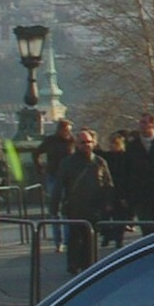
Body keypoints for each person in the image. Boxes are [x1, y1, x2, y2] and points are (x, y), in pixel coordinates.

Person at [56, 129, 116, 275]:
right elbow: (59, 185)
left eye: (89, 142)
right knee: (75, 238)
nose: (87, 145)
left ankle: (89, 265)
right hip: (75, 205)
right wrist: (55, 206)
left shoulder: (99, 162)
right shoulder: (68, 162)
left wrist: (109, 202)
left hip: (94, 206)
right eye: (83, 142)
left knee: (90, 238)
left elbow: (108, 184)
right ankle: (73, 264)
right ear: (77, 144)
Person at [32, 118, 77, 250]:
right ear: (60, 130)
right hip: (53, 176)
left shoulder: (73, 141)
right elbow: (36, 153)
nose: (67, 133)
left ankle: (68, 240)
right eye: (66, 130)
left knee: (66, 210)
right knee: (55, 210)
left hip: (68, 178)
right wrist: (39, 167)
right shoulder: (50, 141)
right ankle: (58, 241)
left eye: (69, 131)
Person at [124, 112, 154, 228]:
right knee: (145, 224)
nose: (141, 125)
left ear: (152, 124)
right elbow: (127, 169)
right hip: (139, 192)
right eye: (140, 122)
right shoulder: (132, 146)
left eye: (145, 122)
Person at [98, 131, 131, 246]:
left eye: (115, 144)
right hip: (108, 191)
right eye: (111, 144)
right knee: (105, 215)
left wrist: (125, 195)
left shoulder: (125, 157)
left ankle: (118, 238)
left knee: (120, 216)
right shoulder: (106, 157)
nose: (112, 146)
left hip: (121, 190)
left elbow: (127, 176)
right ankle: (106, 236)